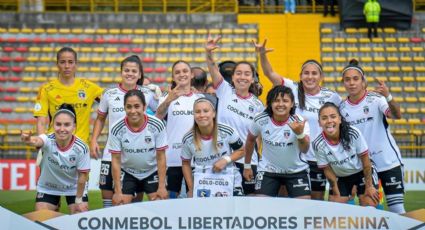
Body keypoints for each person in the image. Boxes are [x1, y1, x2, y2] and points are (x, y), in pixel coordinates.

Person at [254, 39, 341, 200]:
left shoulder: (332, 97)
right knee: (283, 198)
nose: (310, 77)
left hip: (317, 157)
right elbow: (269, 73)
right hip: (291, 157)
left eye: (314, 73)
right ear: (300, 76)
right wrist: (262, 55)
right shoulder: (292, 87)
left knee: (315, 201)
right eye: (306, 73)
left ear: (321, 76)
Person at [90, 55, 158, 208]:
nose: (130, 73)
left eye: (134, 71)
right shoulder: (109, 94)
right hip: (111, 152)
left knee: (133, 199)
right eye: (126, 70)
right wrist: (94, 140)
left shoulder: (147, 93)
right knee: (108, 195)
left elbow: (160, 114)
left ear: (140, 75)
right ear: (121, 72)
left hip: (137, 153)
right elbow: (100, 119)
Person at [339, 59, 405, 214]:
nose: (352, 83)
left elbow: (397, 115)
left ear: (363, 82)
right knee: (370, 210)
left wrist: (388, 96)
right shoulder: (341, 108)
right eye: (347, 80)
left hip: (389, 162)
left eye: (356, 79)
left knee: (397, 209)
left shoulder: (376, 99)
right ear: (343, 83)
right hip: (365, 166)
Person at [206, 35, 265, 195]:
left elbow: (257, 138)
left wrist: (251, 162)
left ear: (252, 79)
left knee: (249, 203)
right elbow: (212, 68)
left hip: (247, 161)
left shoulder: (258, 106)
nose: (242, 77)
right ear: (232, 77)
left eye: (247, 74)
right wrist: (209, 53)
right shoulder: (224, 90)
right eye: (238, 73)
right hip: (220, 157)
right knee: (221, 203)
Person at [21, 104, 90, 214]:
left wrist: (78, 200)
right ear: (53, 125)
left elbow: (83, 176)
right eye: (58, 124)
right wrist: (29, 139)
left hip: (74, 188)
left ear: (74, 127)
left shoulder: (82, 148)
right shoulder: (47, 139)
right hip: (48, 186)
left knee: (80, 215)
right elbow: (37, 140)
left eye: (67, 125)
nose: (62, 129)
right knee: (41, 218)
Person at [244, 85, 311, 198]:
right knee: (260, 205)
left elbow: (305, 150)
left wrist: (299, 134)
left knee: (304, 208)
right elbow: (250, 140)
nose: (280, 104)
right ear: (270, 103)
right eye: (276, 101)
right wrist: (247, 166)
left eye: (285, 101)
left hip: (296, 171)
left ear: (292, 104)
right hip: (268, 171)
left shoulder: (299, 122)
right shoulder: (260, 119)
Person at [313, 102, 379, 206]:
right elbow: (327, 169)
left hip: (361, 171)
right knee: (336, 207)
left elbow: (366, 160)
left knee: (369, 202)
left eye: (333, 117)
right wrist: (335, 190)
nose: (329, 121)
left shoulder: (353, 133)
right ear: (319, 122)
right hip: (341, 176)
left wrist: (369, 186)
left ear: (339, 119)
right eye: (324, 118)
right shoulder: (317, 143)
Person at [33, 47, 103, 144]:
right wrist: (41, 142)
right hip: (54, 146)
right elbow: (41, 121)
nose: (67, 66)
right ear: (57, 64)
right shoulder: (46, 89)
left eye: (70, 62)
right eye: (62, 62)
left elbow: (112, 101)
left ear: (76, 64)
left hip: (80, 147)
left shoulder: (89, 88)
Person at [109, 89, 168, 205]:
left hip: (151, 171)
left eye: (137, 106)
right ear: (124, 107)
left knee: (161, 204)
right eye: (129, 107)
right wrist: (117, 191)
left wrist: (162, 186)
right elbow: (115, 160)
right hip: (128, 172)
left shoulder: (157, 125)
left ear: (144, 107)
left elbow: (161, 157)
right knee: (119, 206)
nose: (133, 111)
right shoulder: (116, 128)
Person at [155, 60, 203, 198]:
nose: (181, 74)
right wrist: (169, 100)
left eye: (185, 71)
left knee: (193, 197)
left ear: (192, 74)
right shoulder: (165, 98)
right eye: (177, 72)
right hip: (172, 158)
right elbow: (157, 118)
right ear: (173, 76)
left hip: (196, 158)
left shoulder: (199, 98)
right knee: (171, 199)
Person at [181, 95, 245, 197]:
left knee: (233, 211)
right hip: (203, 181)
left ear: (214, 113)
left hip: (228, 178)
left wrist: (226, 160)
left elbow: (242, 151)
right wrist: (191, 187)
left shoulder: (227, 131)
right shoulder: (188, 139)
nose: (202, 115)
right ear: (193, 114)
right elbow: (185, 163)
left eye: (206, 111)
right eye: (197, 112)